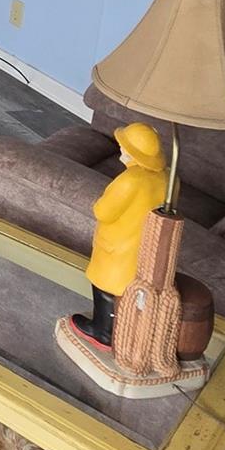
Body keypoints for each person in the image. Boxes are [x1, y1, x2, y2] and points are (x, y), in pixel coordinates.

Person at [70, 122, 168, 348]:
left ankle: (104, 332)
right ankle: (126, 329)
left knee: (108, 288)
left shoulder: (130, 180)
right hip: (145, 245)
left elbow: (103, 210)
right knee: (131, 290)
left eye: (125, 148)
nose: (121, 151)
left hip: (119, 244)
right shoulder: (166, 179)